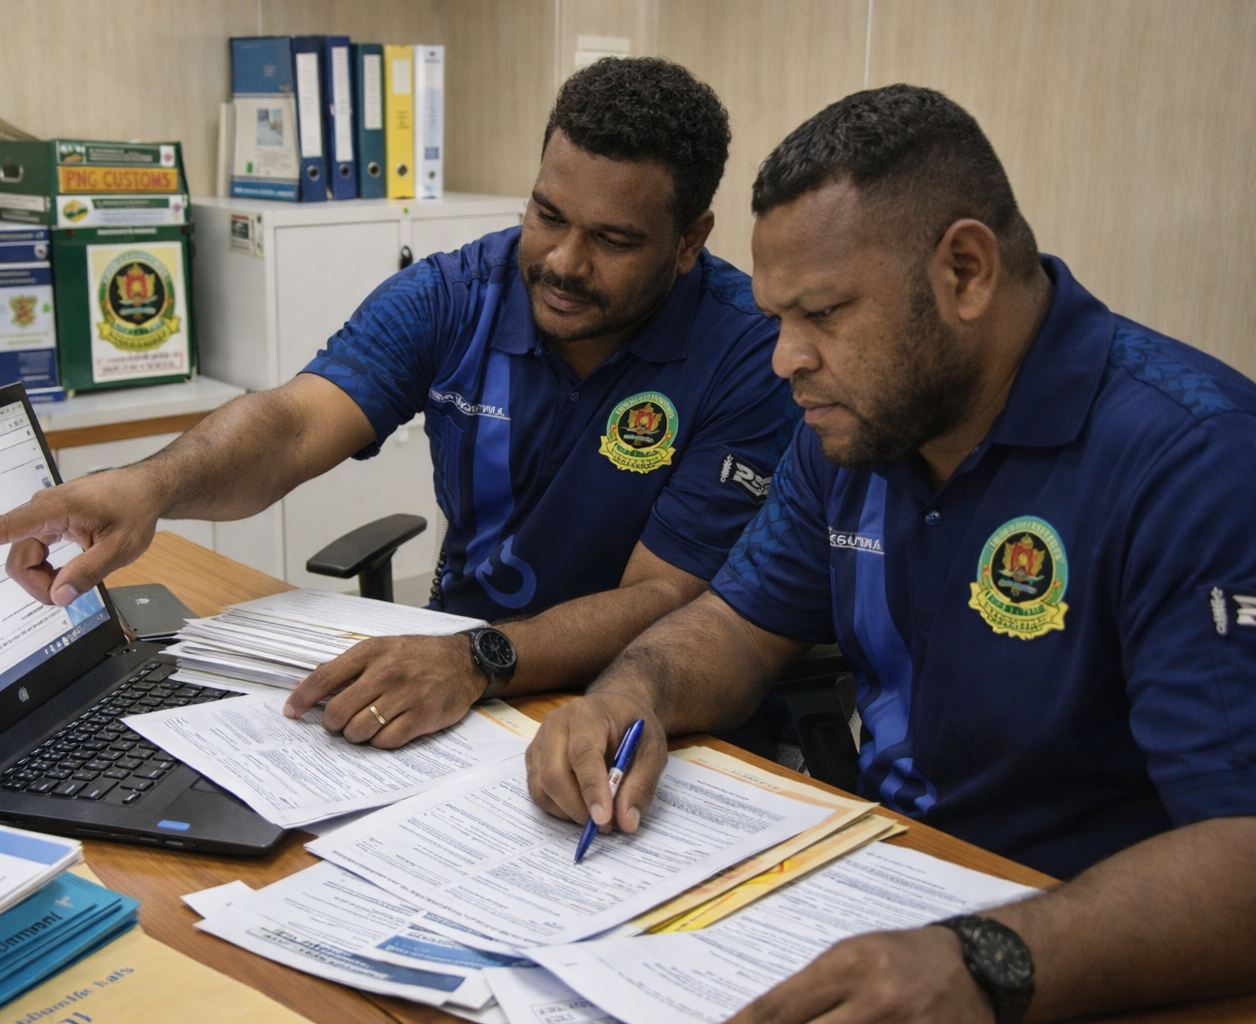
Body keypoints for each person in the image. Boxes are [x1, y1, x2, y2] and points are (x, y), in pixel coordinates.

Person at [526, 84, 1256, 1022]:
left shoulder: (1198, 462)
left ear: (965, 272)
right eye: (777, 318)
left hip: (1079, 959)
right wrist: (629, 696)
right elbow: (738, 627)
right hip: (887, 896)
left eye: (824, 314)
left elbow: (1241, 847)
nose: (786, 358)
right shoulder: (857, 421)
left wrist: (984, 958)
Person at [0, 57, 792, 750]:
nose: (564, 261)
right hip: (453, 678)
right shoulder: (458, 293)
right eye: (547, 214)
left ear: (689, 241)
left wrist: (478, 657)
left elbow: (663, 597)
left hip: (636, 706)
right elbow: (293, 424)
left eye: (612, 239)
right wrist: (153, 485)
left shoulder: (752, 354)